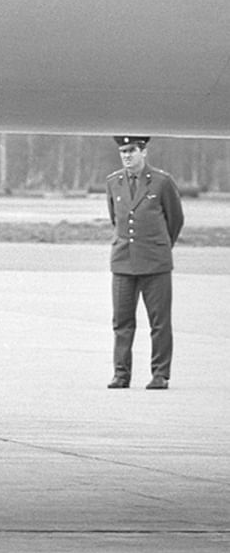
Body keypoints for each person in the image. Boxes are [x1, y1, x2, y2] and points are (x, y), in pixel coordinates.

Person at [106, 136, 184, 390]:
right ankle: (121, 374)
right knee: (122, 321)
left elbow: (175, 220)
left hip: (155, 263)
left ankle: (160, 374)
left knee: (159, 321)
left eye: (131, 151)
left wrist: (158, 247)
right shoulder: (113, 182)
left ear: (144, 152)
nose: (127, 156)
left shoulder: (161, 182)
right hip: (123, 263)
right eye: (123, 152)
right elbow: (116, 220)